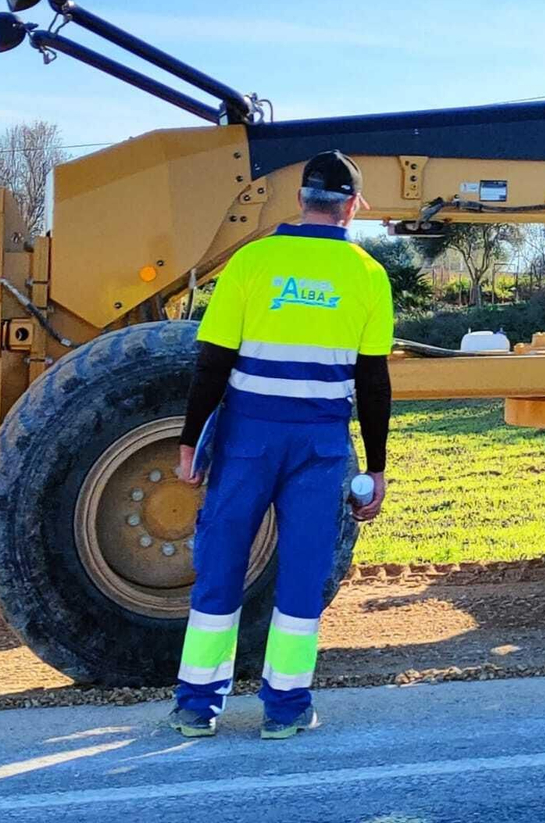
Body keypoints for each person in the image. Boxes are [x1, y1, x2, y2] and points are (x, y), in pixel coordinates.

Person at [168, 150, 394, 740]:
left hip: (248, 435)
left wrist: (191, 441)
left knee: (220, 562)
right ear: (352, 206)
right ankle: (285, 709)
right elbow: (373, 381)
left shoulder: (253, 261)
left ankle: (197, 705)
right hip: (320, 443)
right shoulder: (368, 275)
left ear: (301, 199)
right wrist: (377, 465)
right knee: (302, 570)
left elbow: (212, 361)